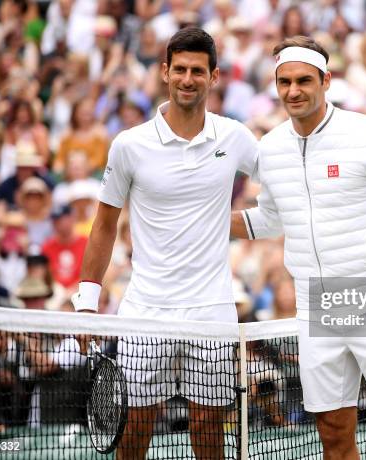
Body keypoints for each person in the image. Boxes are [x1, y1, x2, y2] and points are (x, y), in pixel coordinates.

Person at [230, 36, 366, 460]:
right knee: (332, 434)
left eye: (304, 80)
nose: (293, 91)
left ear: (326, 81)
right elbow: (269, 218)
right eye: (284, 82)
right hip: (314, 308)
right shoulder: (269, 148)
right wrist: (203, 220)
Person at [71, 28, 258, 460]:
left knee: (210, 425)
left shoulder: (236, 138)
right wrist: (86, 302)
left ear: (214, 77)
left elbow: (285, 183)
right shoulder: (129, 146)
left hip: (212, 309)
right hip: (145, 310)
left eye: (198, 71)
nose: (188, 79)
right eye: (180, 70)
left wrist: (238, 223)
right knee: (135, 426)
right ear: (164, 73)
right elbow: (103, 226)